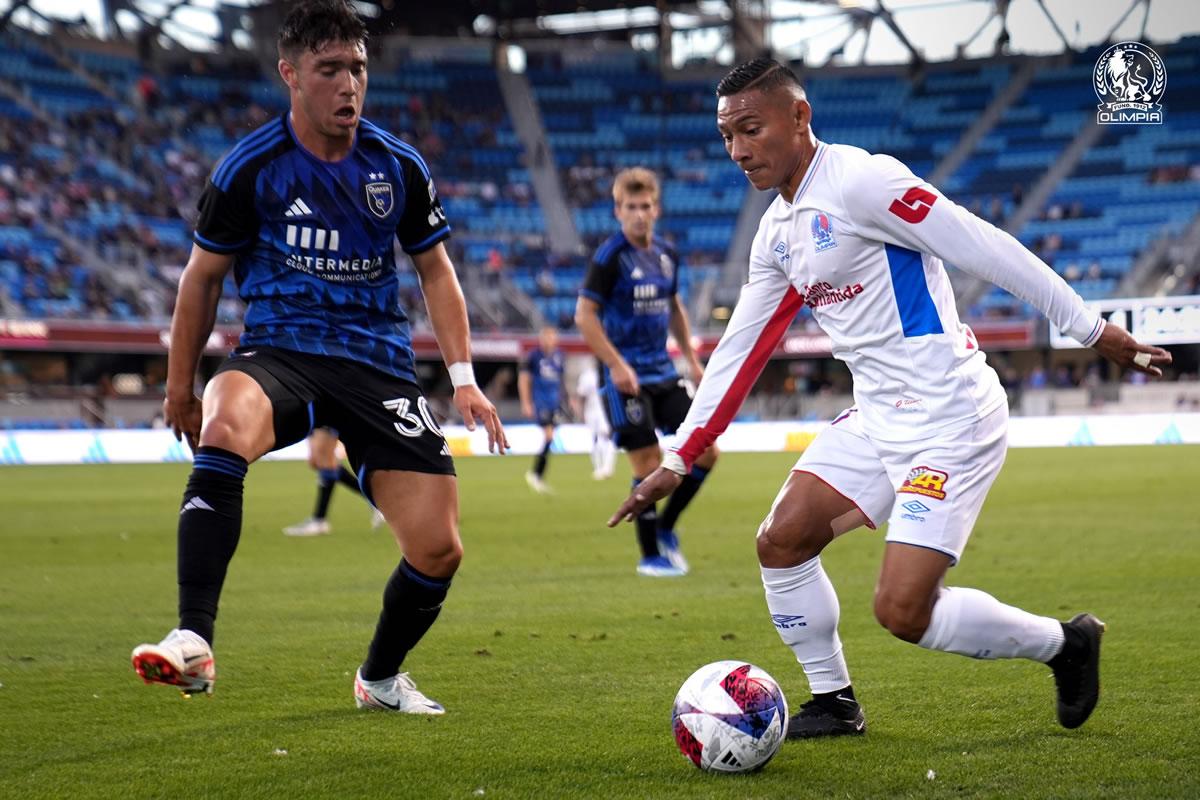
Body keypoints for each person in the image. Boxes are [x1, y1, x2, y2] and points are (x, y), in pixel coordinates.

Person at [609, 58, 1171, 737]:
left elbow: (981, 245)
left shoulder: (863, 183)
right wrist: (680, 456)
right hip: (876, 420)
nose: (738, 151)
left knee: (904, 612)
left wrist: (1090, 327)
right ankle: (834, 701)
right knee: (780, 542)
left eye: (751, 130)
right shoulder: (778, 234)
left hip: (950, 417)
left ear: (799, 116)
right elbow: (738, 351)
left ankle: (1067, 644)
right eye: (727, 136)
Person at [130, 0, 507, 715]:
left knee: (438, 549)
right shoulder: (251, 167)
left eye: (358, 69)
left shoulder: (396, 165)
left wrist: (464, 381)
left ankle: (380, 679)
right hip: (282, 352)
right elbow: (201, 279)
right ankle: (193, 640)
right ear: (291, 75)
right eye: (330, 69)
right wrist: (180, 386)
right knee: (225, 419)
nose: (349, 85)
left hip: (378, 368)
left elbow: (436, 272)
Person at [576, 167, 719, 578]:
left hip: (662, 371)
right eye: (630, 207)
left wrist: (691, 360)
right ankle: (649, 555)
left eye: (645, 206)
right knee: (648, 460)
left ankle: (668, 527)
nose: (639, 214)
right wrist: (616, 365)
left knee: (707, 450)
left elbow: (674, 307)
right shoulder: (609, 258)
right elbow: (585, 316)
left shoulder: (666, 255)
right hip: (626, 379)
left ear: (656, 209)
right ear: (617, 211)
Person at [281, 426, 385, 536]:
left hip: (325, 413)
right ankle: (375, 500)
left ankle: (319, 520)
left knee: (325, 462)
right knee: (316, 461)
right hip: (311, 410)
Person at [518, 325, 565, 494]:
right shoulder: (533, 357)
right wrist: (526, 403)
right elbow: (524, 379)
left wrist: (564, 400)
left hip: (554, 403)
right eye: (547, 337)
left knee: (550, 438)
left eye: (553, 337)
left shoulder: (559, 356)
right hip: (541, 402)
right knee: (549, 435)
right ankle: (535, 474)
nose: (550, 340)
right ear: (541, 339)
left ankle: (537, 475)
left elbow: (560, 381)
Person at [572, 357, 616, 480]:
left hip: (605, 411)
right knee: (594, 440)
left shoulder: (610, 374)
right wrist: (580, 412)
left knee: (606, 437)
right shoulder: (587, 376)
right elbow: (581, 395)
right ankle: (598, 468)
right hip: (591, 412)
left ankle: (607, 468)